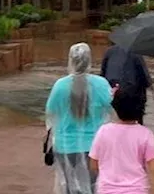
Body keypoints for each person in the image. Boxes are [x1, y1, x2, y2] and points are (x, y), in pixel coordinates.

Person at [47, 43, 113, 194]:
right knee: (93, 186)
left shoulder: (60, 85)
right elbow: (113, 109)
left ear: (70, 60)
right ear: (90, 60)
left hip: (65, 145)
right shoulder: (101, 84)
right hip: (94, 145)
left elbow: (51, 113)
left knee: (69, 186)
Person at [89, 85, 154, 194]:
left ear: (115, 107)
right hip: (137, 190)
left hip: (106, 189)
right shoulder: (145, 134)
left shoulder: (103, 131)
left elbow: (93, 164)